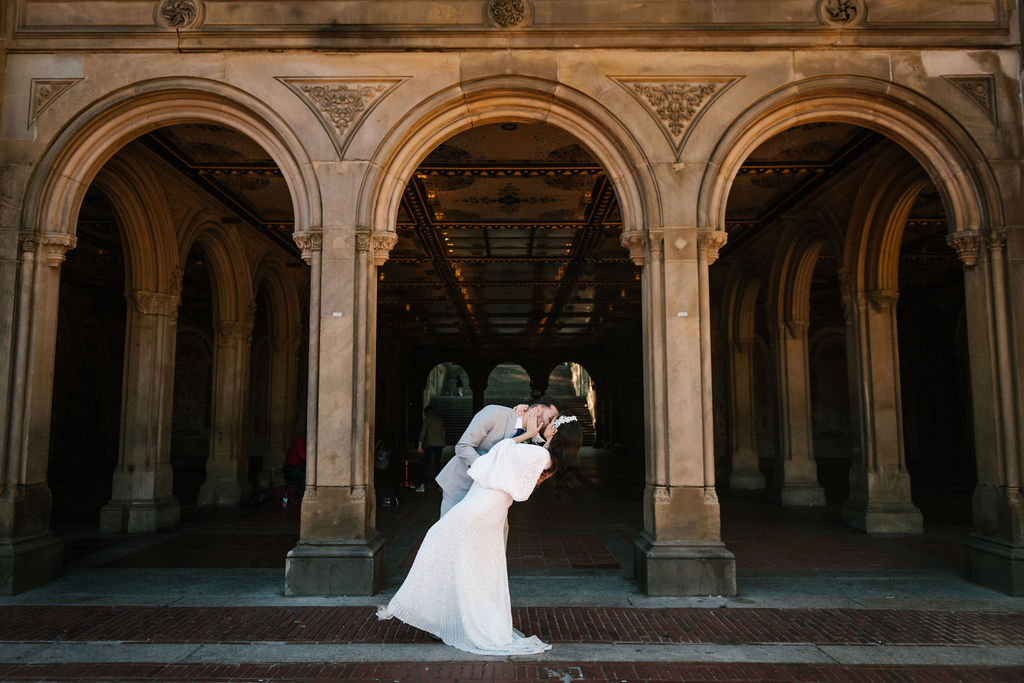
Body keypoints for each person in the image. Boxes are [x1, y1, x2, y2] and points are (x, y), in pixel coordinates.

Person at [377, 411, 582, 655]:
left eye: (550, 424)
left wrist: (527, 433)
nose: (545, 424)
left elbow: (497, 452)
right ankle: (442, 613)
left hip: (483, 505)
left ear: (556, 431)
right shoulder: (543, 456)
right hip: (487, 505)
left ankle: (411, 606)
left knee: (438, 539)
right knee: (469, 561)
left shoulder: (539, 454)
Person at [435, 396, 559, 517]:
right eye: (551, 419)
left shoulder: (535, 438)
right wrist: (488, 472)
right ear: (537, 410)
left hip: (493, 498)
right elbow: (463, 446)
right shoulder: (494, 413)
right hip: (461, 485)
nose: (551, 425)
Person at [416, 406, 445, 493]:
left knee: (425, 464)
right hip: (440, 444)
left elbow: (423, 433)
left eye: (425, 413)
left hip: (430, 445)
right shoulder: (439, 421)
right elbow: (443, 433)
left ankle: (422, 485)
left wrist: (420, 444)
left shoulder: (427, 420)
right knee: (437, 464)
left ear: (427, 413)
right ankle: (441, 486)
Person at [282, 434, 306, 499]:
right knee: (306, 478)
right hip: (290, 470)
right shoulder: (300, 442)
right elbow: (304, 458)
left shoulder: (302, 442)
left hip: (294, 468)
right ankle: (301, 500)